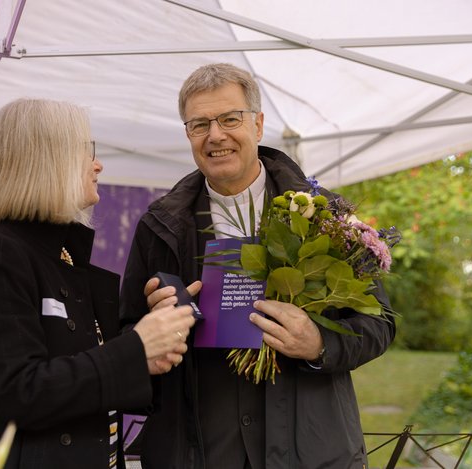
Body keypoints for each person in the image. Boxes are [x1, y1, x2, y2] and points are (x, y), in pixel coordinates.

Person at [119, 63, 396, 469]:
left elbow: (380, 322)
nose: (216, 135)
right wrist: (154, 330)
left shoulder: (327, 216)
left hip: (310, 452)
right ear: (188, 135)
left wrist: (319, 344)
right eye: (200, 124)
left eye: (230, 119)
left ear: (259, 124)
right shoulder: (159, 226)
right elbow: (126, 335)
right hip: (199, 453)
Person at [0, 98, 196, 469]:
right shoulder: (2, 255)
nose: (98, 164)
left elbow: (90, 377)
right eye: (86, 152)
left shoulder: (63, 257)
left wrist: (157, 335)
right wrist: (137, 347)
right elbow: (22, 391)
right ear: (47, 161)